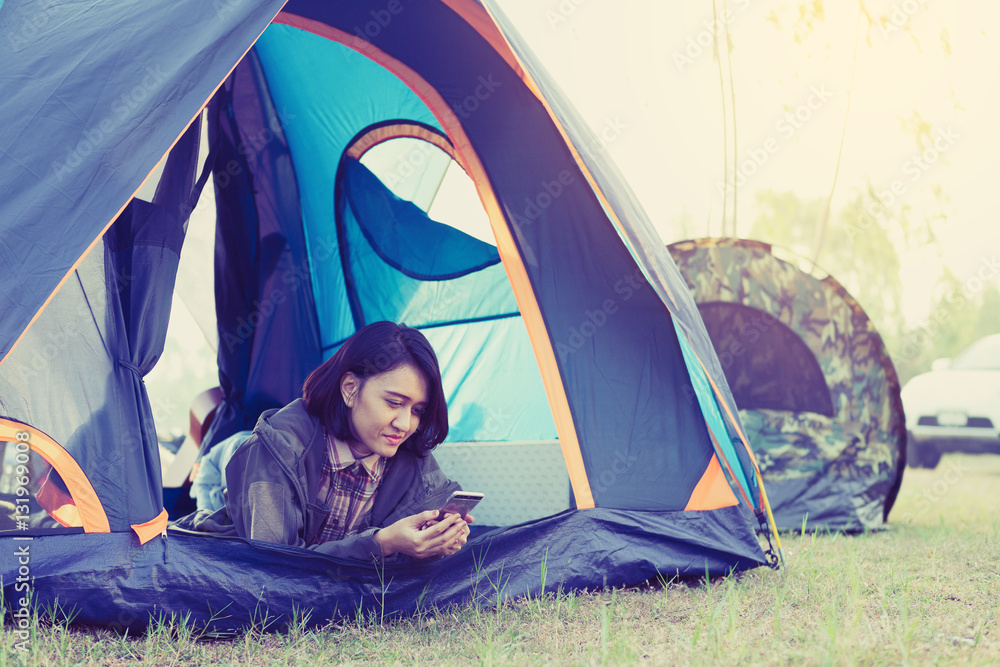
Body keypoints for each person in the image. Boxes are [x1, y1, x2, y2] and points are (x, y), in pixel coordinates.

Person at [174, 321, 471, 562]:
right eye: (394, 402)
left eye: (417, 410)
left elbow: (424, 522)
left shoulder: (409, 455)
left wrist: (438, 539)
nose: (405, 424)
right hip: (221, 469)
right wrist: (380, 543)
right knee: (216, 504)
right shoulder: (278, 449)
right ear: (350, 389)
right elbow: (275, 565)